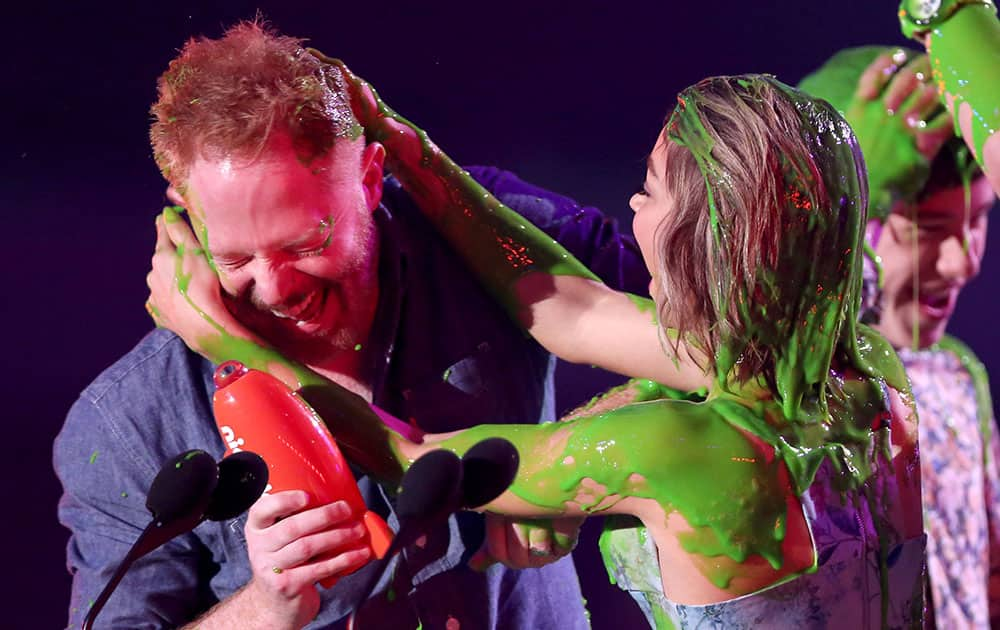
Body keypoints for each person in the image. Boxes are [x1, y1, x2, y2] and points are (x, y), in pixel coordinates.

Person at [156, 62, 925, 627]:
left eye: (651, 188)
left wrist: (240, 350)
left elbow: (413, 459)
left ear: (698, 239)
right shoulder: (857, 368)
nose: (632, 203)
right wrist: (411, 149)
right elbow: (571, 308)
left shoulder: (675, 445)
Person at [54, 22, 651, 629]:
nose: (278, 285)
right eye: (234, 257)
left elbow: (722, 345)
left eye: (306, 241)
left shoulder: (484, 237)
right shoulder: (127, 418)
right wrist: (266, 605)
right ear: (185, 211)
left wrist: (562, 466)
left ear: (369, 178)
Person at [799, 44, 1000, 628]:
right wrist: (850, 185)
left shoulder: (958, 373)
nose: (964, 264)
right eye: (930, 230)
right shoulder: (799, 382)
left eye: (978, 221)